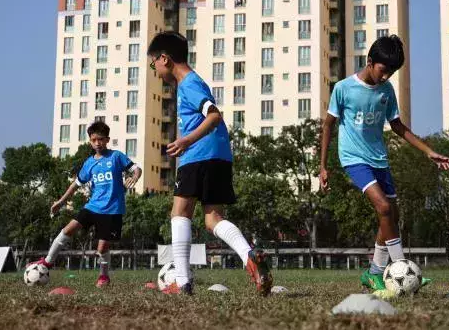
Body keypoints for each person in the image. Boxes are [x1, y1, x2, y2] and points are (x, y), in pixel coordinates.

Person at [318, 35, 449, 292]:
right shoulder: (344, 88)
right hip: (353, 159)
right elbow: (328, 125)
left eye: (391, 72)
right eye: (383, 70)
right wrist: (323, 166)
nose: (386, 76)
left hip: (379, 158)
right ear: (370, 61)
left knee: (391, 215)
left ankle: (373, 273)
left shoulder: (386, 91)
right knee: (383, 207)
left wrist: (429, 151)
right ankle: (403, 267)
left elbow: (398, 126)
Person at [147, 31, 272, 296]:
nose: (154, 70)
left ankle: (182, 282)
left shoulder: (189, 84)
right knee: (213, 219)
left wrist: (185, 141)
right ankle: (249, 255)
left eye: (153, 64)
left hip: (198, 155)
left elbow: (214, 115)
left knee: (179, 213)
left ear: (164, 59)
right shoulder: (193, 83)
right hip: (220, 156)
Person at [29, 121, 141, 287]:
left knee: (102, 249)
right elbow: (76, 184)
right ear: (90, 140)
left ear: (107, 139)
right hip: (92, 207)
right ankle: (47, 262)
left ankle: (104, 276)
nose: (98, 143)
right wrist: (61, 201)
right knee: (67, 230)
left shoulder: (116, 157)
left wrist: (136, 176)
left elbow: (136, 168)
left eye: (101, 139)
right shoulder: (89, 163)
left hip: (112, 210)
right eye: (94, 140)